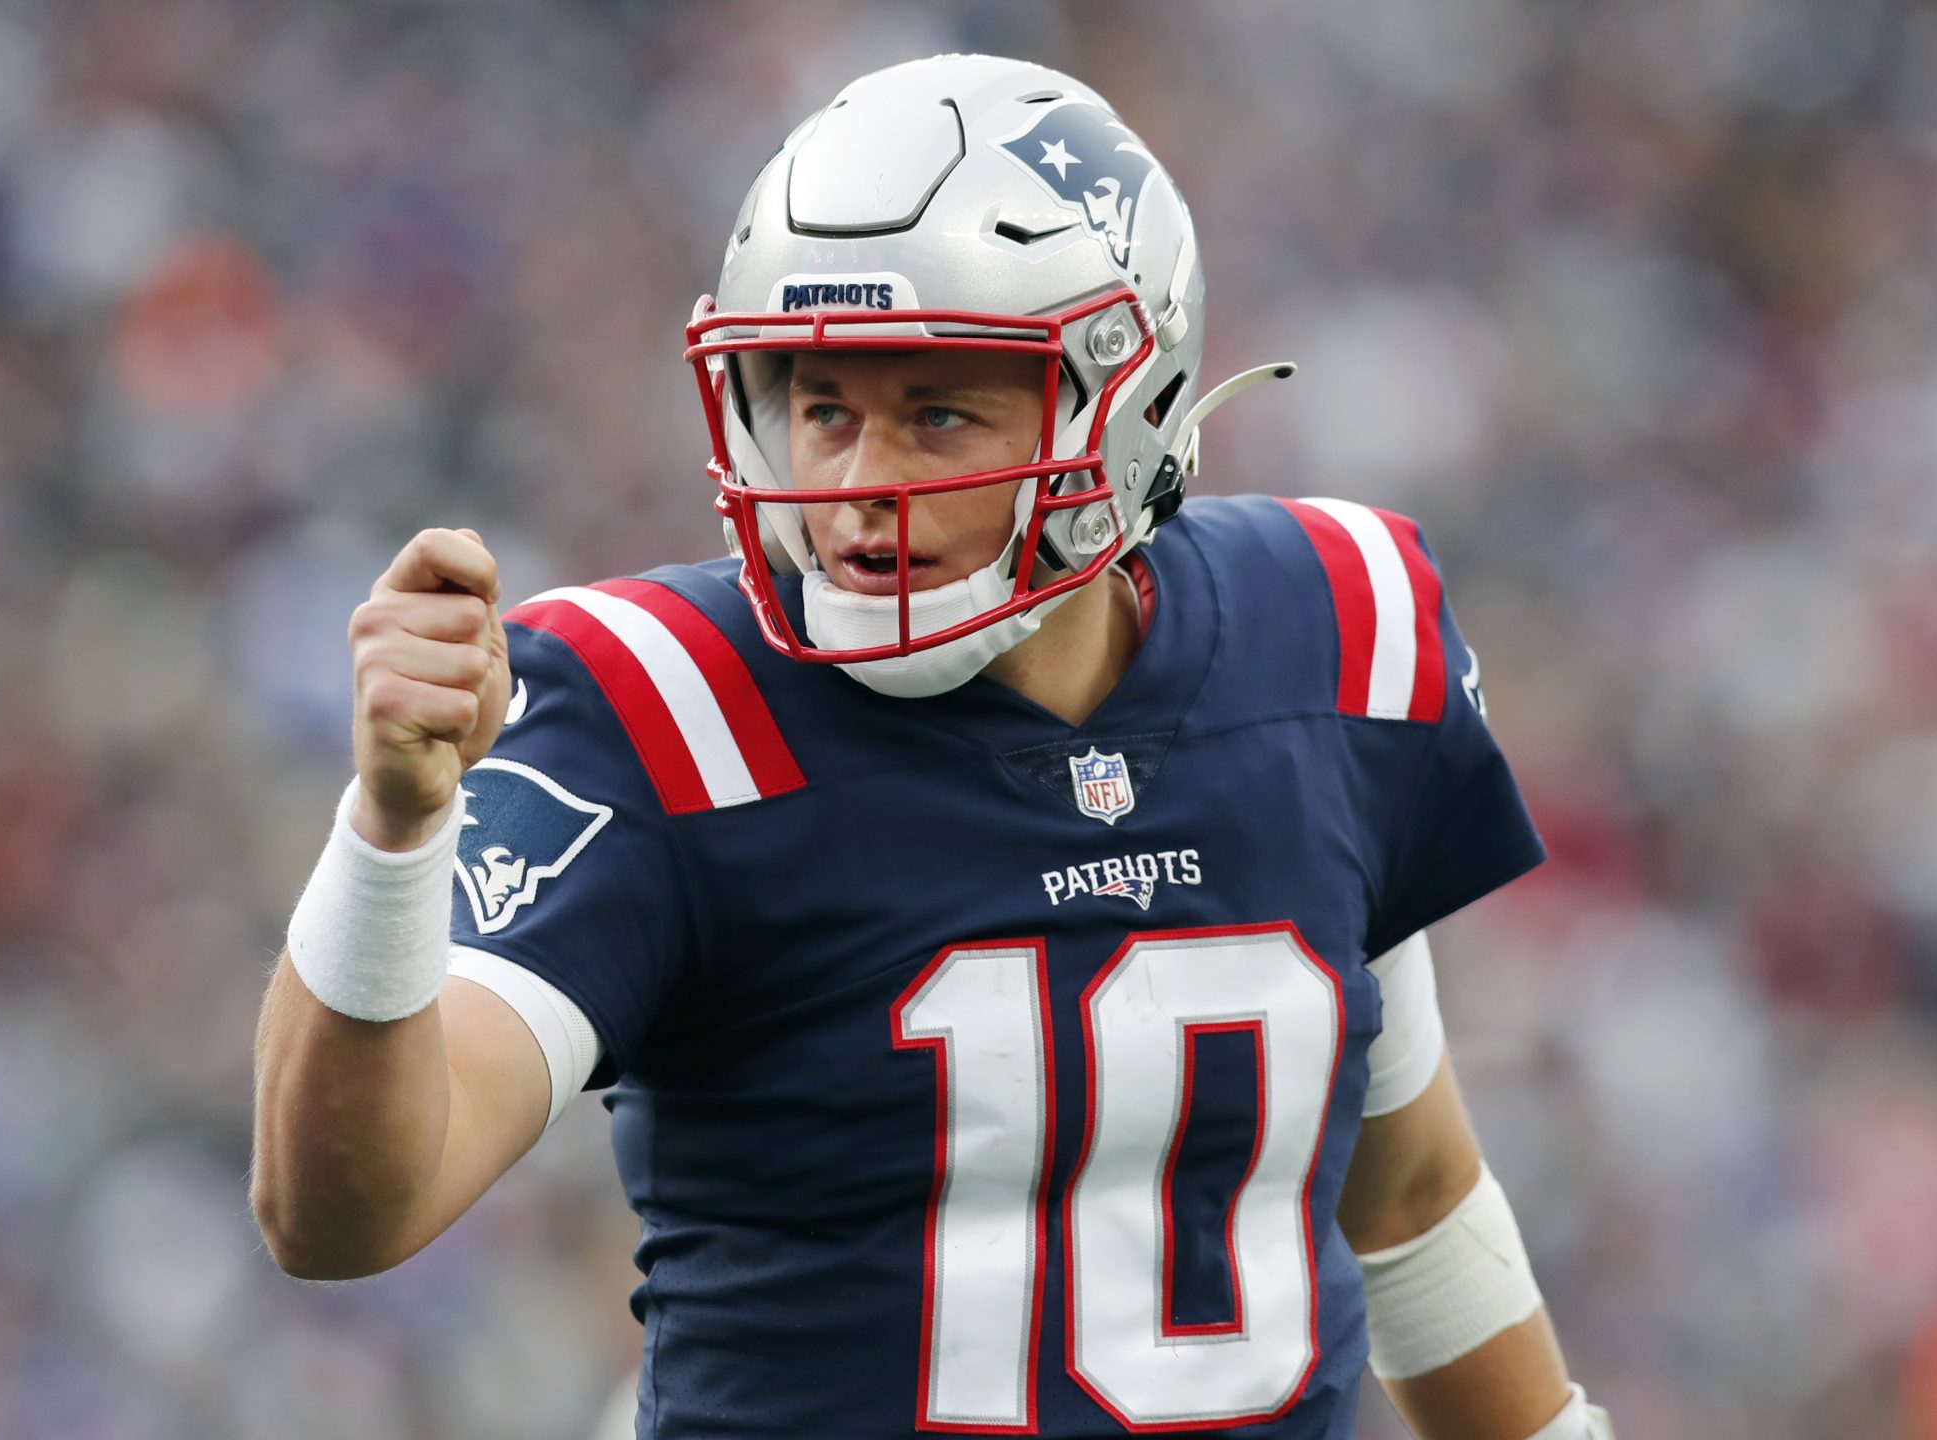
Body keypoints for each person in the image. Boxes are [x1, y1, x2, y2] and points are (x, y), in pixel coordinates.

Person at [252, 53, 1614, 1440]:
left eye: (939, 414)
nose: (855, 492)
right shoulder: (669, 708)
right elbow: (341, 1213)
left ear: (1120, 403)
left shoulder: (1329, 639)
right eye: (824, 408)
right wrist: (394, 831)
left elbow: (1414, 1196)